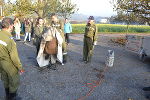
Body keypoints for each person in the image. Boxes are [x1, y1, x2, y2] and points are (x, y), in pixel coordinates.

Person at [0, 18, 24, 100]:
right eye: (12, 24)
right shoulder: (9, 39)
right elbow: (14, 57)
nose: (13, 26)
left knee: (5, 78)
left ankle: (7, 96)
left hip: (1, 62)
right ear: (10, 26)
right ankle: (12, 97)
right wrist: (20, 67)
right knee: (14, 79)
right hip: (8, 62)